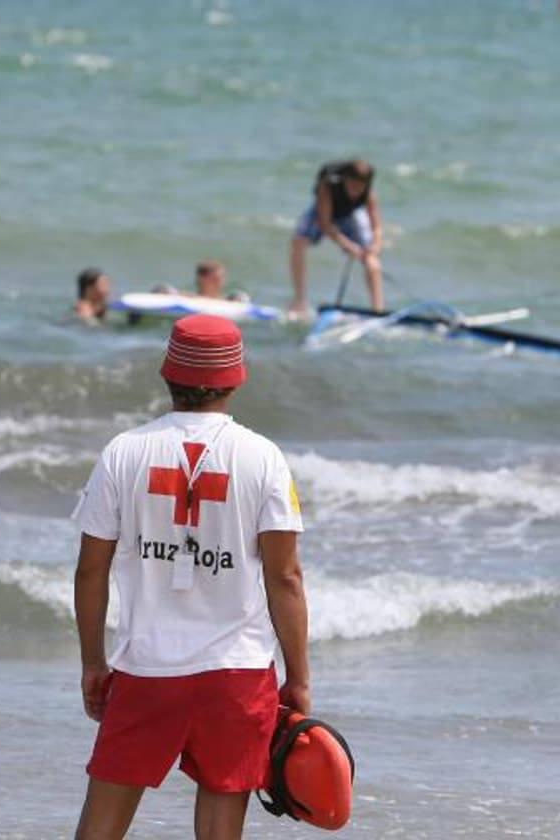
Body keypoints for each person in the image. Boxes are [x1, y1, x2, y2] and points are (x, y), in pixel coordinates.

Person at [72, 314, 311, 839]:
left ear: (167, 375)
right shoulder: (263, 458)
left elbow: (91, 569)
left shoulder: (123, 452)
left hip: (146, 668)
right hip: (237, 671)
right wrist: (298, 676)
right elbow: (285, 577)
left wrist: (93, 662)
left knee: (100, 829)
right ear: (235, 378)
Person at [288, 159, 384, 317]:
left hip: (348, 215)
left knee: (371, 259)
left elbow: (377, 227)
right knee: (298, 242)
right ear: (345, 179)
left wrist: (375, 245)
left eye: (360, 187)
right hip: (322, 214)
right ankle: (299, 301)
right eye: (352, 185)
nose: (356, 190)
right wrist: (349, 246)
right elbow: (325, 225)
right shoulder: (327, 187)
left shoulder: (368, 193)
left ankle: (378, 310)